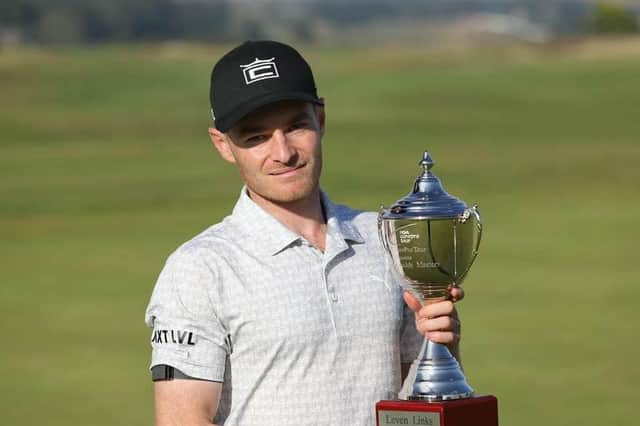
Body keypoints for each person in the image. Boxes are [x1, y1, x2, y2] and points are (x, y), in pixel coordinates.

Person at [145, 40, 464, 426]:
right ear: (223, 145)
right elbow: (183, 419)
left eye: (295, 126)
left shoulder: (385, 238)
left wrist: (445, 341)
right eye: (255, 136)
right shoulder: (200, 269)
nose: (283, 152)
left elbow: (419, 402)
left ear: (321, 119)